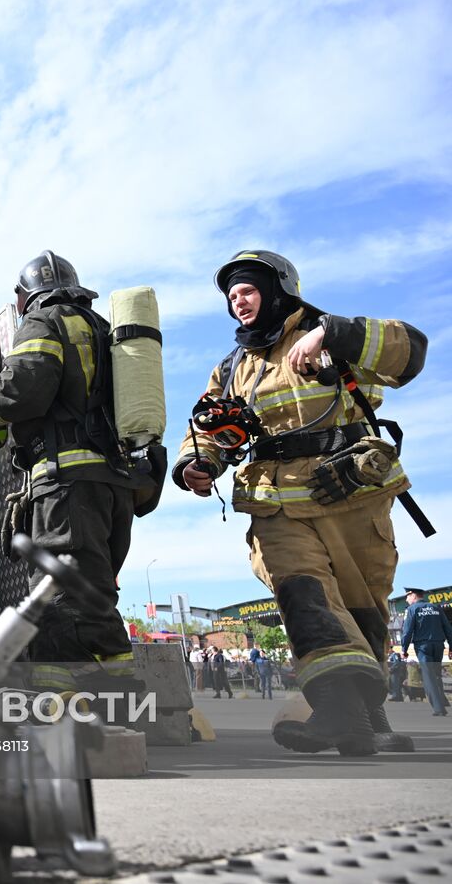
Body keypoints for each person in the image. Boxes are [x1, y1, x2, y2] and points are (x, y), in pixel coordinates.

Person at [174, 249, 425, 756]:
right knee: (303, 597)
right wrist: (195, 464)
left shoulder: (331, 332)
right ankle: (337, 709)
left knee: (363, 609)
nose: (237, 302)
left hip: (350, 493)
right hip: (276, 503)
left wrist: (331, 333)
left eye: (246, 291)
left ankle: (364, 722)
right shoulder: (232, 369)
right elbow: (206, 430)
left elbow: (411, 351)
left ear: (278, 288)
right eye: (230, 296)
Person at [0, 251, 148, 695]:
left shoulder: (46, 319)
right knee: (94, 592)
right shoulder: (103, 328)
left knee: (54, 593)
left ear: (26, 295)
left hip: (66, 485)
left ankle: (63, 701)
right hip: (113, 485)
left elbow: (22, 389)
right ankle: (118, 692)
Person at [400, 587, 452, 717]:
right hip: (439, 645)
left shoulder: (412, 609)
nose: (406, 599)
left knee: (428, 676)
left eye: (407, 596)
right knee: (436, 674)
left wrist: (404, 649)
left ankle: (439, 708)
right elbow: (448, 628)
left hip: (423, 646)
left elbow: (407, 632)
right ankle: (443, 701)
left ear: (413, 596)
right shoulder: (436, 608)